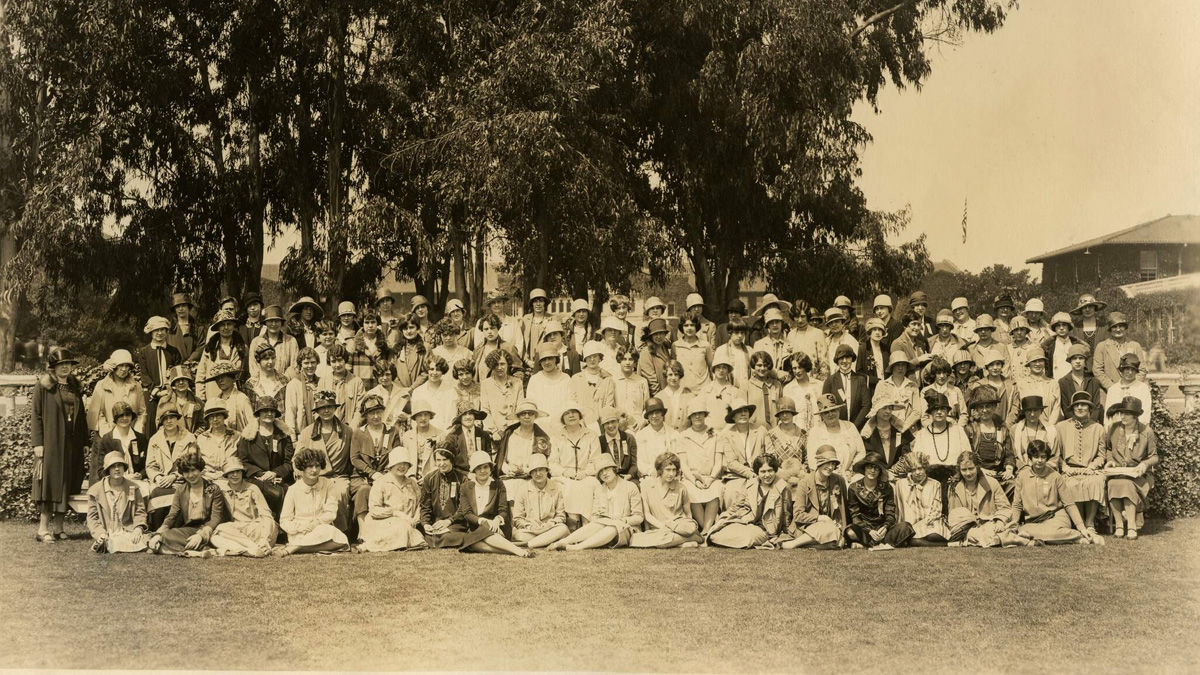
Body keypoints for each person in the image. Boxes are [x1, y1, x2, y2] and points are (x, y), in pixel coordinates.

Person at [31, 347, 90, 543]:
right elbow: (37, 416)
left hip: (72, 443)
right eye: (61, 365)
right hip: (52, 443)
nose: (65, 367)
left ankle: (58, 528)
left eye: (68, 364)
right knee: (50, 484)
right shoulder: (44, 387)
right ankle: (42, 529)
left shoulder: (75, 387)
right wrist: (38, 443)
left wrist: (85, 441)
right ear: (54, 367)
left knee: (66, 484)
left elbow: (81, 418)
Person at [1010, 440, 1099, 545]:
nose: (1039, 460)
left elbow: (1069, 504)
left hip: (1056, 518)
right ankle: (1077, 539)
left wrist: (1082, 528)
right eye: (1036, 456)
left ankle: (1079, 535)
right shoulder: (1022, 476)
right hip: (1034, 522)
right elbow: (1017, 505)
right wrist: (1014, 523)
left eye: (1043, 457)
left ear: (1047, 458)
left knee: (1048, 532)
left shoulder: (1055, 476)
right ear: (1030, 458)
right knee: (1022, 530)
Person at [294, 390, 360, 532]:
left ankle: (342, 532)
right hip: (315, 476)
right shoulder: (308, 432)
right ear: (317, 410)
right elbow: (297, 459)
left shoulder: (347, 431)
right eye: (322, 408)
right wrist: (302, 476)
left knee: (340, 492)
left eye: (329, 407)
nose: (326, 411)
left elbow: (353, 457)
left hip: (338, 477)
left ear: (335, 409)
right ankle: (311, 531)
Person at [547, 454, 643, 551]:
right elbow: (594, 516)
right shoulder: (600, 490)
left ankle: (576, 547)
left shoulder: (630, 487)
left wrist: (624, 520)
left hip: (627, 528)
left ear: (614, 469)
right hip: (605, 527)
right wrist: (601, 516)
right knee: (596, 524)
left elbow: (639, 517)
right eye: (600, 472)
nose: (604, 473)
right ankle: (562, 542)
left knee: (613, 526)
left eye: (606, 469)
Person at [452, 451, 532, 557]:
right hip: (476, 527)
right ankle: (514, 550)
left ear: (490, 468)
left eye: (485, 467)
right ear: (474, 470)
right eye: (479, 468)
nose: (482, 471)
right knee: (472, 544)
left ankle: (517, 551)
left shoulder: (499, 485)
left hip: (497, 527)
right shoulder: (465, 487)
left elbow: (503, 510)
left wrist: (497, 520)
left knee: (481, 536)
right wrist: (483, 521)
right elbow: (467, 513)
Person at [148, 452, 227, 556]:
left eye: (193, 470)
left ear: (200, 469)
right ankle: (202, 551)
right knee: (167, 535)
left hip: (209, 528)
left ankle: (168, 549)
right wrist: (159, 533)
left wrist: (201, 535)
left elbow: (216, 517)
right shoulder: (181, 490)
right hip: (189, 530)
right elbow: (172, 515)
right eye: (186, 472)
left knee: (159, 544)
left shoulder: (213, 489)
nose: (190, 475)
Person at [706, 453, 792, 549]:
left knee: (749, 537)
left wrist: (786, 534)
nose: (767, 475)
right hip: (747, 522)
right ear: (757, 473)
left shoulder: (783, 487)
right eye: (763, 472)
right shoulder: (751, 484)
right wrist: (723, 518)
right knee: (717, 533)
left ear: (775, 470)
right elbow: (738, 506)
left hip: (765, 529)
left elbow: (786, 513)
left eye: (770, 471)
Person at [278, 447, 352, 555]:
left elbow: (331, 512)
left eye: (317, 466)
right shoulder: (293, 490)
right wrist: (299, 527)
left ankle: (295, 548)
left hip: (321, 527)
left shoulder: (328, 484)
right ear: (302, 468)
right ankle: (302, 546)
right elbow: (284, 520)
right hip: (300, 531)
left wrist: (317, 522)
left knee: (341, 539)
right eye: (310, 466)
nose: (314, 470)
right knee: (334, 540)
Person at [1105, 397, 1158, 540]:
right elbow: (1108, 449)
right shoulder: (1114, 428)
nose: (1123, 416)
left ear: (1135, 415)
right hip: (1118, 473)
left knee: (1127, 485)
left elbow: (1154, 457)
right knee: (1112, 484)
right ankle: (1120, 525)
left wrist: (1144, 464)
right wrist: (1110, 461)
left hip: (1139, 475)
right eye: (1121, 413)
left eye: (1127, 414)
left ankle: (1132, 525)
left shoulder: (1147, 431)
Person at [355, 446, 427, 552]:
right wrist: (395, 513)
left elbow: (419, 505)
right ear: (392, 465)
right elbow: (374, 510)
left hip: (408, 523)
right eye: (398, 463)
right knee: (401, 527)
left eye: (405, 463)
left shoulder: (412, 484)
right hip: (382, 522)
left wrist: (416, 518)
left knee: (409, 531)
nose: (402, 466)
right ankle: (369, 545)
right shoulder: (381, 483)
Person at [1055, 391, 1108, 535]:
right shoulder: (1061, 427)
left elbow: (1101, 455)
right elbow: (1056, 453)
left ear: (1090, 408)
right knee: (1070, 484)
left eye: (1083, 405)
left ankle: (1089, 522)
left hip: (1089, 469)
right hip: (1069, 470)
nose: (1079, 408)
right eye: (1076, 405)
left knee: (1095, 481)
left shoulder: (1098, 428)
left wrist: (1092, 466)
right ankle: (1078, 523)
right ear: (1072, 409)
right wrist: (1064, 466)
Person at [947, 451, 1025, 548]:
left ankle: (991, 539)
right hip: (967, 529)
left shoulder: (992, 483)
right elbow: (953, 514)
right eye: (964, 470)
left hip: (990, 524)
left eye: (971, 468)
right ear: (959, 470)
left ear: (978, 467)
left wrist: (1000, 521)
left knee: (995, 530)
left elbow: (1005, 507)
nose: (968, 473)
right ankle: (1004, 539)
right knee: (981, 535)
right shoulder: (954, 487)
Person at [350, 395, 403, 537]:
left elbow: (397, 456)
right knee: (364, 490)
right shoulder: (358, 433)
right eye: (372, 413)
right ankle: (362, 530)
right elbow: (355, 459)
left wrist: (386, 474)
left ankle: (388, 532)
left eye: (379, 412)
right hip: (362, 477)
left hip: (387, 475)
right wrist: (372, 473)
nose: (376, 416)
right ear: (366, 415)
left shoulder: (392, 432)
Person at [781, 445, 848, 549]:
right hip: (807, 527)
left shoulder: (839, 480)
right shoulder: (805, 483)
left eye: (833, 463)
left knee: (839, 542)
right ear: (819, 462)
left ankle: (812, 545)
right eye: (827, 463)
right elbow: (798, 515)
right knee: (827, 529)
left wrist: (842, 530)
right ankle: (794, 544)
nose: (830, 467)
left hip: (833, 525)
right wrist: (819, 518)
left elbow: (843, 509)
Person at [237, 396, 295, 516]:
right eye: (265, 411)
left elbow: (289, 462)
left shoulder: (284, 435)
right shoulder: (248, 436)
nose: (269, 414)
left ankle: (282, 526)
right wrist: (261, 474)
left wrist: (276, 473)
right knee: (274, 493)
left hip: (279, 477)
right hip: (256, 478)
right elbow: (243, 462)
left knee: (286, 492)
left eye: (272, 411)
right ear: (259, 413)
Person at [631, 451, 702, 549]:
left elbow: (688, 514)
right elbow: (647, 515)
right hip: (659, 529)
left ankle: (687, 538)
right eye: (668, 470)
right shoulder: (646, 487)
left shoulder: (681, 488)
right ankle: (690, 540)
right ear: (659, 470)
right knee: (635, 539)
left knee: (660, 543)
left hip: (678, 528)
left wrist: (683, 528)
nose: (671, 474)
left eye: (674, 470)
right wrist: (663, 526)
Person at [843, 452, 913, 550]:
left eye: (876, 468)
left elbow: (890, 513)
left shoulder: (887, 488)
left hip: (882, 530)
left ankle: (867, 544)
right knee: (850, 531)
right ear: (864, 468)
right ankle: (880, 544)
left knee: (906, 526)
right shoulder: (853, 488)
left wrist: (885, 527)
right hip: (864, 530)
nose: (872, 471)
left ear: (880, 471)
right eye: (869, 467)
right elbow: (855, 515)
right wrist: (869, 531)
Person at [209, 459, 278, 557]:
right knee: (215, 536)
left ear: (242, 473)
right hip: (238, 531)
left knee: (271, 524)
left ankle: (250, 548)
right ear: (226, 476)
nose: (235, 475)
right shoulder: (223, 490)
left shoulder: (252, 488)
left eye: (238, 471)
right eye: (231, 472)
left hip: (257, 529)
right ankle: (250, 550)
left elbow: (266, 516)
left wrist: (264, 538)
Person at [911, 392, 970, 503]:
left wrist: (958, 476)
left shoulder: (958, 431)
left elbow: (967, 456)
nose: (939, 412)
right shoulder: (922, 434)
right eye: (935, 409)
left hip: (955, 480)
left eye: (942, 409)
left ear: (947, 411)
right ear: (930, 413)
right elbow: (916, 462)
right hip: (930, 482)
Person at [86, 451, 150, 553]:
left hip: (127, 530)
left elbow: (140, 511)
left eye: (120, 465)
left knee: (146, 542)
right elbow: (92, 518)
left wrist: (138, 528)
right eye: (113, 466)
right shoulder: (95, 491)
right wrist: (100, 533)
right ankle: (105, 542)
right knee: (110, 541)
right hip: (107, 531)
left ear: (124, 468)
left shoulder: (133, 487)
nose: (117, 469)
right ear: (108, 470)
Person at [676, 399, 724, 533]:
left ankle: (706, 530)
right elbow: (683, 464)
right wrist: (694, 480)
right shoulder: (683, 436)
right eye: (694, 414)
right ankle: (707, 529)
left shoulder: (716, 434)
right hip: (692, 477)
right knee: (690, 490)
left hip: (711, 476)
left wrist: (711, 478)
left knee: (716, 489)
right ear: (690, 417)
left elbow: (718, 462)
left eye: (700, 413)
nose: (697, 416)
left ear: (705, 415)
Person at [549, 406, 601, 527]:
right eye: (567, 413)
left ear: (580, 416)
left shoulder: (591, 435)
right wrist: (565, 472)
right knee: (568, 486)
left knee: (590, 484)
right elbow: (552, 463)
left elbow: (595, 460)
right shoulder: (556, 437)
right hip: (564, 476)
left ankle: (587, 524)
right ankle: (574, 524)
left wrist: (585, 472)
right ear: (562, 418)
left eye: (574, 412)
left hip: (586, 475)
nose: (571, 415)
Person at [144, 410, 199, 523]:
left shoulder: (189, 437)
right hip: (161, 481)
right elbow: (150, 465)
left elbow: (192, 463)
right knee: (157, 493)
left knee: (181, 494)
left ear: (177, 419)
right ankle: (157, 529)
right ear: (162, 421)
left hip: (183, 480)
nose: (169, 421)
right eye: (165, 418)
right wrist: (159, 478)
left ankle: (176, 530)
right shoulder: (155, 439)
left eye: (172, 417)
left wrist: (175, 476)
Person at [963, 385, 1017, 496]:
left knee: (1015, 484)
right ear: (977, 409)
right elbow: (966, 455)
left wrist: (1009, 469)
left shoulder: (1002, 428)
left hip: (999, 473)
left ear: (994, 407)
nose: (984, 410)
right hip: (978, 473)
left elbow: (1009, 454)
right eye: (981, 407)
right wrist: (980, 470)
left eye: (988, 406)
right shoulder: (970, 429)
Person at [509, 453, 570, 549]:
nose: (538, 474)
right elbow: (517, 518)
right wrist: (530, 527)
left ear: (546, 471)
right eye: (534, 471)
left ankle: (530, 544)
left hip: (550, 528)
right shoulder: (522, 489)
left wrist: (550, 524)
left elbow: (561, 516)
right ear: (530, 473)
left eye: (541, 469)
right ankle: (547, 541)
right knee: (519, 535)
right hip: (530, 531)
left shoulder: (556, 487)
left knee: (563, 529)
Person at [135, 316, 183, 437]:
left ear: (167, 332)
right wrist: (156, 391)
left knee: (171, 423)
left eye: (163, 330)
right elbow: (144, 374)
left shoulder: (173, 351)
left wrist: (169, 389)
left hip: (170, 394)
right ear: (151, 332)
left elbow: (177, 372)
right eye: (156, 330)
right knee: (150, 427)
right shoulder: (144, 352)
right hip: (152, 395)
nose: (160, 333)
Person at [494, 399, 553, 491]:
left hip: (532, 477)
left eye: (530, 413)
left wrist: (525, 470)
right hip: (510, 477)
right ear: (518, 416)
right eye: (523, 413)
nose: (526, 416)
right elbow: (502, 460)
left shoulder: (541, 438)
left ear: (535, 416)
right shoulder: (510, 435)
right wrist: (508, 469)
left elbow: (541, 463)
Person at [805, 394, 865, 483]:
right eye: (826, 412)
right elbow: (812, 460)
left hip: (849, 475)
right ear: (821, 415)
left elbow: (861, 452)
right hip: (825, 477)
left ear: (838, 410)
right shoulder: (815, 431)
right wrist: (829, 473)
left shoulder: (850, 427)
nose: (830, 414)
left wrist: (851, 470)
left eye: (833, 410)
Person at [89, 401, 149, 489]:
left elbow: (148, 465)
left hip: (137, 481)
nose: (124, 418)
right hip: (113, 482)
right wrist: (119, 477)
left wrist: (141, 475)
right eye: (121, 415)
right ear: (115, 418)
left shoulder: (141, 438)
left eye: (127, 415)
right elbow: (101, 470)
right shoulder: (106, 440)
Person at [88, 349, 147, 438]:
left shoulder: (136, 386)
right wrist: (109, 436)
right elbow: (98, 413)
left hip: (131, 436)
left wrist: (136, 433)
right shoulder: (102, 386)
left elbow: (142, 412)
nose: (124, 369)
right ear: (113, 367)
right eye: (121, 365)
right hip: (108, 437)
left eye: (127, 366)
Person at [894, 452, 949, 546]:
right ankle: (940, 544)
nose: (917, 472)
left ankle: (919, 542)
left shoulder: (935, 484)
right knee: (913, 537)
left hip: (929, 521)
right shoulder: (900, 484)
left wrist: (927, 521)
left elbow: (936, 509)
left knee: (933, 535)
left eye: (920, 468)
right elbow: (899, 507)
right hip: (911, 523)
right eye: (913, 470)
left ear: (925, 467)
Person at [194, 309, 249, 402]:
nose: (226, 327)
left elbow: (247, 374)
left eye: (229, 324)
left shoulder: (242, 348)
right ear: (218, 328)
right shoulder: (209, 349)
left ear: (234, 325)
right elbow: (200, 376)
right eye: (222, 325)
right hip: (213, 396)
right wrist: (201, 398)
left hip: (235, 398)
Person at [719, 396, 766, 502]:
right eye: (739, 412)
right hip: (737, 475)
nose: (743, 414)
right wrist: (750, 474)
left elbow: (769, 454)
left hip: (762, 472)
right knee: (733, 493)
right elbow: (731, 463)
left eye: (745, 411)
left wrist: (762, 471)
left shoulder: (760, 430)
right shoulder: (727, 435)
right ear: (733, 417)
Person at [526, 343, 574, 436]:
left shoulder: (566, 378)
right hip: (540, 428)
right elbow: (531, 406)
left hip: (562, 428)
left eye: (550, 358)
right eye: (543, 359)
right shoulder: (535, 380)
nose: (547, 362)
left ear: (556, 359)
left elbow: (570, 404)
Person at [1093, 312, 1147, 389]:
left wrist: (1131, 387)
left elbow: (1142, 370)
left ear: (1125, 328)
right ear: (1110, 329)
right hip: (1109, 391)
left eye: (1121, 326)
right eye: (1114, 326)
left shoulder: (1135, 346)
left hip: (1132, 391)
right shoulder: (1102, 346)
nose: (1118, 329)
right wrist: (1113, 388)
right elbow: (1097, 371)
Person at [860, 396, 911, 476]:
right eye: (884, 408)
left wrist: (893, 472)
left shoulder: (900, 429)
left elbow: (906, 454)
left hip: (899, 474)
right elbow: (869, 457)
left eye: (890, 408)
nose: (888, 411)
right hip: (875, 474)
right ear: (876, 410)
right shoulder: (868, 434)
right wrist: (883, 473)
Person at [319, 343, 367, 428]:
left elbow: (360, 409)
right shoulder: (323, 382)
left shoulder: (356, 381)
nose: (337, 365)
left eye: (340, 360)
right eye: (333, 361)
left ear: (345, 359)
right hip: (329, 428)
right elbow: (319, 408)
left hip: (351, 428)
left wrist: (351, 428)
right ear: (329, 362)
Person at [823, 344, 870, 429]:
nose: (844, 361)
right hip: (836, 428)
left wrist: (854, 427)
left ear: (852, 359)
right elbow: (826, 408)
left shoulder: (860, 380)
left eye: (847, 357)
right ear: (837, 360)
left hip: (857, 428)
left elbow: (866, 406)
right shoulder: (830, 381)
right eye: (841, 358)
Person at [1012, 347, 1061, 428]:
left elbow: (1057, 407)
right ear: (1029, 364)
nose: (1037, 364)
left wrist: (1049, 427)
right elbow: (1016, 407)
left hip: (1049, 427)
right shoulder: (1021, 384)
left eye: (1040, 361)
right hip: (1027, 427)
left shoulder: (1053, 383)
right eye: (1034, 361)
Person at [871, 352, 920, 433]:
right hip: (887, 430)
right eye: (897, 365)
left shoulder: (913, 386)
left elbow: (917, 412)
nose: (900, 368)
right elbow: (876, 408)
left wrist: (904, 426)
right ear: (892, 367)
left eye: (903, 365)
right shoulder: (882, 385)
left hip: (909, 430)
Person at [571, 341, 616, 426]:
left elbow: (608, 406)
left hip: (601, 424)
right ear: (585, 359)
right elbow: (573, 404)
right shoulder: (576, 379)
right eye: (589, 357)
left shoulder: (608, 379)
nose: (592, 359)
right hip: (581, 424)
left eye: (595, 356)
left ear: (600, 358)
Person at [480, 349, 523, 439]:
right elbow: (485, 410)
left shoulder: (517, 383)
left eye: (502, 364)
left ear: (508, 364)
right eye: (496, 364)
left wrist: (511, 428)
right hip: (494, 434)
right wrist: (494, 431)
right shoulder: (486, 384)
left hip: (513, 431)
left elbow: (520, 409)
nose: (499, 367)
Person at [249, 305, 299, 380]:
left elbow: (294, 366)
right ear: (265, 323)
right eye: (270, 321)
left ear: (281, 323)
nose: (273, 324)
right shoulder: (256, 342)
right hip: (261, 383)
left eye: (277, 321)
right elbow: (253, 366)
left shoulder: (291, 341)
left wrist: (282, 380)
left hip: (284, 384)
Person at [766, 397, 807, 488]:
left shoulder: (803, 434)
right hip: (779, 479)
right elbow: (770, 460)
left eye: (788, 412)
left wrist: (800, 474)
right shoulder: (771, 435)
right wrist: (785, 476)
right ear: (778, 416)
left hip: (800, 477)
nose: (785, 415)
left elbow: (807, 459)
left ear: (792, 414)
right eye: (781, 413)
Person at [438, 406, 493, 474]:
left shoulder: (484, 435)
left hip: (482, 474)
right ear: (460, 418)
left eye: (470, 413)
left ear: (474, 416)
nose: (468, 417)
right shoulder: (452, 437)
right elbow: (450, 463)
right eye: (464, 414)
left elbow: (488, 457)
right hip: (460, 476)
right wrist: (466, 475)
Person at [1057, 344, 1103, 424]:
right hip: (1071, 423)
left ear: (1085, 361)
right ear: (1070, 361)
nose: (1078, 361)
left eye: (1081, 358)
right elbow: (1065, 407)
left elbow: (1096, 406)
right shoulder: (1063, 382)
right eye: (1074, 358)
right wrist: (1076, 423)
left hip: (1091, 423)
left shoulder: (1093, 381)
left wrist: (1090, 422)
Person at [1103, 354, 1151, 429]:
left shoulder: (1143, 388)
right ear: (1121, 370)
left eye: (1133, 370)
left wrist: (1136, 432)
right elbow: (1108, 416)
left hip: (1136, 430)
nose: (1130, 372)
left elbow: (1145, 416)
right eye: (1127, 369)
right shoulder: (1113, 389)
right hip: (1116, 431)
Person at [1010, 396, 1059, 469]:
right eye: (1029, 410)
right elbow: (1013, 456)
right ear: (1024, 412)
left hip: (1045, 470)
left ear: (1041, 411)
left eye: (1035, 410)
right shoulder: (1015, 430)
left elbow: (1055, 456)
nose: (1032, 414)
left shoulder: (1051, 430)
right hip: (1023, 470)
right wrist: (1024, 468)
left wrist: (1043, 468)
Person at [195, 401, 240, 481]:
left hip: (230, 479)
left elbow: (242, 461)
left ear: (224, 417)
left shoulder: (236, 436)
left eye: (218, 416)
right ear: (208, 419)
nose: (215, 419)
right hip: (207, 479)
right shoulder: (201, 438)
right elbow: (197, 464)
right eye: (211, 417)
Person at [635, 397, 678, 479]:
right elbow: (640, 462)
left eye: (657, 412)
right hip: (649, 477)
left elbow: (677, 459)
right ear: (647, 416)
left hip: (671, 476)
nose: (654, 416)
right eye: (651, 413)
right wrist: (650, 471)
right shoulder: (641, 436)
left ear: (662, 414)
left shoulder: (673, 434)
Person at [781, 353, 823, 435]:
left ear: (806, 367)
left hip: (818, 431)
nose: (797, 371)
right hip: (797, 433)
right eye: (794, 368)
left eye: (800, 367)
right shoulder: (788, 389)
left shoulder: (819, 385)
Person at [918, 357, 967, 426]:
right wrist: (932, 429)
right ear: (934, 374)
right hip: (933, 428)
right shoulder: (925, 391)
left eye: (944, 373)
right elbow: (924, 417)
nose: (942, 376)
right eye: (938, 373)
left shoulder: (956, 390)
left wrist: (958, 429)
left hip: (953, 427)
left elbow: (963, 414)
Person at [472, 312, 521, 380]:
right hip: (482, 389)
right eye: (486, 329)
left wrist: (511, 384)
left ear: (498, 328)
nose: (489, 332)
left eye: (492, 328)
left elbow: (519, 371)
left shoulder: (508, 348)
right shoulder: (478, 350)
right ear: (482, 330)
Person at [786, 301, 829, 378]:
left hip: (814, 379)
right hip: (796, 379)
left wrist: (822, 381)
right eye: (797, 316)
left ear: (807, 316)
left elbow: (824, 362)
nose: (800, 320)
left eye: (803, 316)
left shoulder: (818, 333)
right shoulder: (790, 335)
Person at [402, 400, 444, 479]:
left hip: (433, 479)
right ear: (415, 417)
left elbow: (442, 462)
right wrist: (411, 476)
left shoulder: (440, 435)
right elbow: (404, 460)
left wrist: (428, 478)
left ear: (430, 416)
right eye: (420, 415)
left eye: (426, 414)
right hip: (411, 479)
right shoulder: (407, 436)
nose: (423, 418)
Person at [971, 349, 1015, 423]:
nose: (995, 368)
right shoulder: (979, 385)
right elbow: (975, 410)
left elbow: (1015, 408)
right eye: (991, 364)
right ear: (987, 367)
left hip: (1006, 425)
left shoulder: (1011, 385)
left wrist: (1007, 425)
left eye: (998, 364)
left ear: (1002, 365)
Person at [597, 406, 639, 482]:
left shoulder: (629, 438)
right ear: (603, 426)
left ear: (618, 421)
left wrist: (629, 475)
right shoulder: (599, 442)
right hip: (607, 479)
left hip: (628, 478)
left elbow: (634, 463)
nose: (610, 425)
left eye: (613, 421)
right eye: (607, 423)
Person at [613, 348, 651, 431]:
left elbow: (647, 407)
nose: (627, 363)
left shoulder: (642, 381)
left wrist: (643, 421)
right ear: (619, 361)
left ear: (635, 362)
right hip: (618, 425)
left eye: (630, 359)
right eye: (624, 359)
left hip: (637, 425)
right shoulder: (613, 381)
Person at [742, 352, 782, 427]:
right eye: (759, 365)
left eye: (765, 365)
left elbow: (781, 408)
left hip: (774, 429)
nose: (762, 369)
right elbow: (741, 411)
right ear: (754, 366)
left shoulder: (777, 385)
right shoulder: (746, 386)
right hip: (754, 430)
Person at [674, 315, 713, 391]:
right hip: (683, 390)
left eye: (692, 325)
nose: (689, 328)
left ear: (696, 327)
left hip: (703, 389)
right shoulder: (675, 345)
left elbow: (712, 368)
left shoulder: (705, 345)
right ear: (682, 327)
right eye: (686, 325)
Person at [1043, 312, 1086, 381]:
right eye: (1058, 326)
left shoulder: (1076, 344)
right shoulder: (1048, 347)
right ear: (1054, 328)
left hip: (1074, 382)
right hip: (1056, 381)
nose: (1061, 328)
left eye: (1064, 325)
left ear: (1069, 327)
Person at [701, 352, 741, 422]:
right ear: (714, 370)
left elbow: (737, 414)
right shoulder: (705, 390)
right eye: (718, 367)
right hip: (709, 430)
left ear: (728, 370)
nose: (721, 370)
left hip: (728, 430)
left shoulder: (734, 391)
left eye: (724, 367)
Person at [638, 318, 673, 395]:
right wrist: (660, 396)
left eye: (661, 333)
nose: (659, 336)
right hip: (655, 395)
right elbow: (651, 379)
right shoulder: (646, 351)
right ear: (651, 336)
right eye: (655, 334)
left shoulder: (664, 348)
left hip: (667, 391)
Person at [519, 288, 553, 369]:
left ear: (544, 303)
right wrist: (526, 361)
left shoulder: (551, 319)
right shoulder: (525, 319)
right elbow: (521, 342)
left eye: (541, 301)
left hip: (546, 361)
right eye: (535, 301)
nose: (538, 304)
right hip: (528, 363)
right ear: (532, 304)